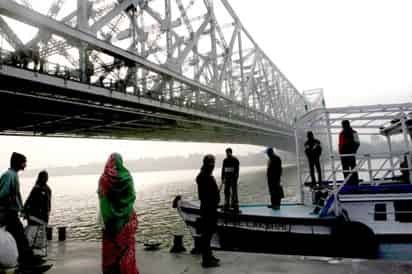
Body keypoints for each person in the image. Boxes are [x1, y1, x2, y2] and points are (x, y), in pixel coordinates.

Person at [0, 152, 44, 266]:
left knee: (17, 237)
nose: (25, 165)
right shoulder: (10, 175)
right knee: (20, 236)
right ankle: (28, 260)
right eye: (24, 162)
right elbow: (3, 194)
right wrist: (11, 206)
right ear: (19, 163)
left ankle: (24, 259)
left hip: (10, 212)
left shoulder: (12, 174)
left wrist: (21, 209)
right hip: (8, 213)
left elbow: (13, 195)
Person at [98, 153, 139, 274]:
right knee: (125, 250)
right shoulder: (127, 177)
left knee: (111, 252)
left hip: (110, 222)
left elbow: (102, 198)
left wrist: (110, 213)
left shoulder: (104, 179)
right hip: (126, 221)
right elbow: (132, 196)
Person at [196, 154, 220, 268]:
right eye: (210, 162)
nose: (212, 165)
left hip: (211, 208)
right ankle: (206, 259)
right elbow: (205, 195)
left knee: (210, 232)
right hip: (208, 208)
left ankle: (209, 255)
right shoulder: (203, 175)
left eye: (213, 162)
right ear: (205, 163)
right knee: (207, 234)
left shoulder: (207, 174)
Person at [339, 120, 360, 185]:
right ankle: (348, 183)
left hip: (351, 154)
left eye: (343, 125)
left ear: (347, 125)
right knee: (345, 170)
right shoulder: (341, 133)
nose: (342, 126)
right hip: (343, 155)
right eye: (342, 125)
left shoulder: (354, 132)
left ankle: (355, 183)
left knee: (353, 169)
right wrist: (340, 153)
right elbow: (340, 144)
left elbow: (357, 143)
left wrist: (353, 152)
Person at [221, 148, 240, 212]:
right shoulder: (225, 160)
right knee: (226, 191)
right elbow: (223, 170)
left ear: (231, 152)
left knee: (234, 192)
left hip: (233, 178)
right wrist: (222, 178)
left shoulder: (235, 160)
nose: (227, 154)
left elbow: (237, 171)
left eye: (228, 152)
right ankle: (227, 204)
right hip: (227, 178)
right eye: (226, 152)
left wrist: (236, 178)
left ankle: (235, 204)